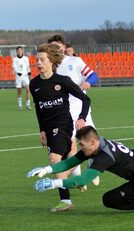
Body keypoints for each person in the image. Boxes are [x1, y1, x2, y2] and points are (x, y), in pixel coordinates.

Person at [29, 43, 91, 212]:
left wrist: (82, 118)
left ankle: (66, 201)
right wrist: (41, 130)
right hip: (48, 129)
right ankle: (80, 176)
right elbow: (38, 108)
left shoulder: (62, 81)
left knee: (54, 159)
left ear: (51, 61)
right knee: (61, 163)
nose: (39, 63)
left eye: (42, 60)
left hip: (64, 125)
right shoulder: (34, 84)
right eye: (37, 60)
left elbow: (86, 99)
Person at [47, 34, 99, 211]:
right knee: (71, 146)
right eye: (52, 47)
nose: (56, 49)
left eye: (57, 46)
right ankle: (76, 180)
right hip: (64, 112)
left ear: (63, 46)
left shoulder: (75, 62)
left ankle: (91, 169)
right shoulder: (50, 67)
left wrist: (87, 83)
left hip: (82, 108)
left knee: (90, 144)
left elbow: (93, 75)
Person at [12, 46, 32, 110]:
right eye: (18, 51)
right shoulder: (15, 59)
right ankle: (20, 105)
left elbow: (28, 66)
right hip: (18, 77)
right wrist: (18, 73)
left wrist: (29, 72)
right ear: (17, 52)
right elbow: (14, 68)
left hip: (25, 76)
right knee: (19, 91)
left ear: (22, 51)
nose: (20, 52)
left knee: (28, 90)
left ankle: (28, 104)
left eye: (20, 50)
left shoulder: (26, 58)